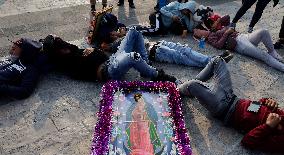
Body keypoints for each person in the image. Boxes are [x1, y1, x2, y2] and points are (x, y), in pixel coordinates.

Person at [178, 57, 284, 153]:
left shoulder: (281, 141)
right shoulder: (282, 115)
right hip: (231, 96)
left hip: (223, 109)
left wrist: (268, 126)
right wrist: (266, 101)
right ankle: (192, 87)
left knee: (192, 85)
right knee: (217, 60)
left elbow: (247, 141)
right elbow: (254, 108)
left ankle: (176, 89)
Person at [43, 28, 176, 83]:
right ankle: (157, 75)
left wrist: (92, 49)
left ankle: (145, 67)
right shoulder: (66, 64)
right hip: (109, 71)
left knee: (134, 32)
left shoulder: (71, 49)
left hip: (112, 60)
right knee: (132, 56)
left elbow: (89, 51)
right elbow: (89, 74)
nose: (61, 38)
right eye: (58, 39)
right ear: (57, 48)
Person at [99, 27, 234, 67]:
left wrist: (122, 31)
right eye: (113, 33)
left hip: (159, 44)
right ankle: (213, 63)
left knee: (186, 50)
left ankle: (214, 59)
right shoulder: (120, 45)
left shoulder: (127, 35)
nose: (116, 31)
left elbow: (135, 30)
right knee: (182, 57)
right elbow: (109, 47)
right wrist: (107, 45)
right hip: (155, 51)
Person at [193, 27, 284, 72]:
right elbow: (218, 45)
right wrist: (226, 33)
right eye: (198, 32)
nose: (200, 30)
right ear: (201, 36)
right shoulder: (209, 38)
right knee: (263, 55)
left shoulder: (212, 29)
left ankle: (272, 51)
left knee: (264, 31)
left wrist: (225, 26)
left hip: (243, 36)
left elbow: (227, 18)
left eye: (199, 29)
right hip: (240, 45)